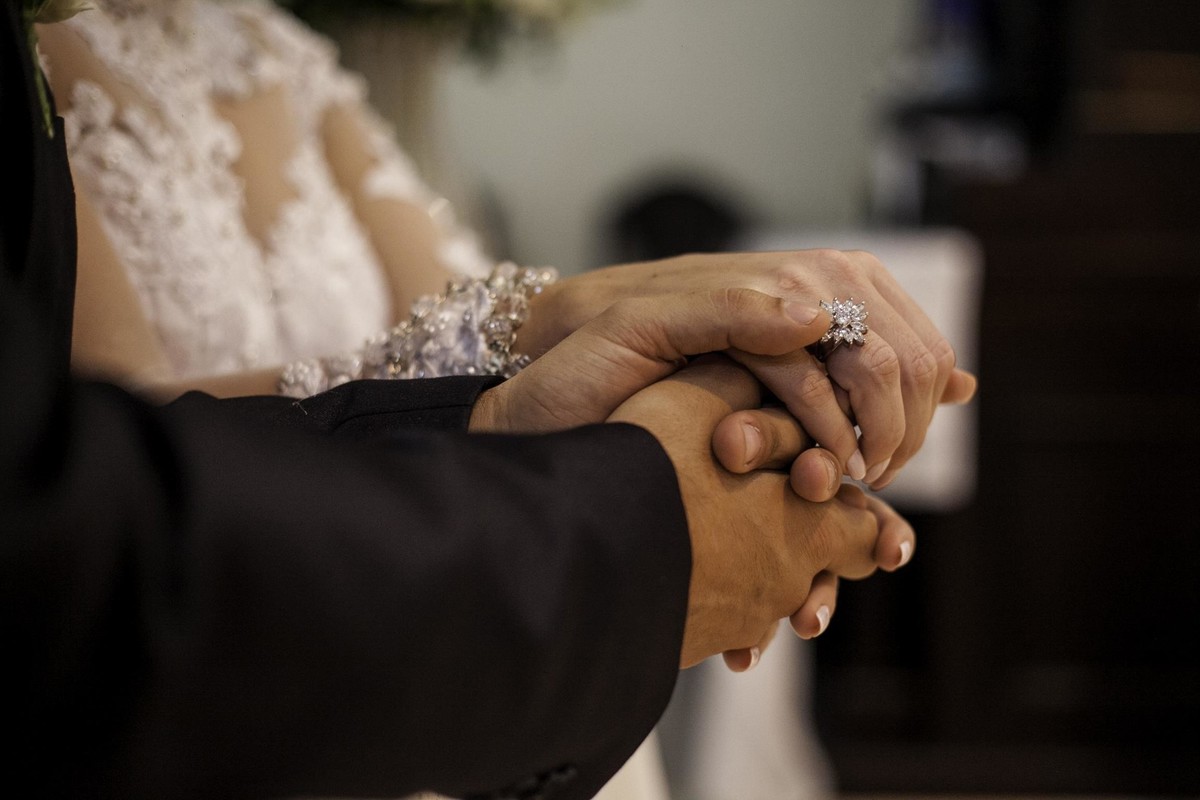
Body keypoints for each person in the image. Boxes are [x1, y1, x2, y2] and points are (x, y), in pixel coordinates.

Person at [3, 4, 961, 800]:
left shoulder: (268, 44)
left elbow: (458, 299)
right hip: (276, 641)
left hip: (439, 561)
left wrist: (721, 378)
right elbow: (122, 448)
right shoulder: (39, 50)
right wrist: (552, 333)